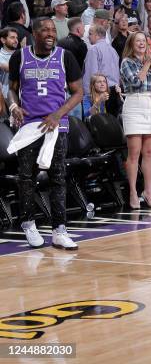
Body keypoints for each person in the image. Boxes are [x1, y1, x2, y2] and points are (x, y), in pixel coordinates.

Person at [6, 17, 83, 250]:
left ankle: (59, 230)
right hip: (29, 126)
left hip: (56, 126)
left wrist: (57, 115)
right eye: (45, 30)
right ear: (34, 33)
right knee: (27, 177)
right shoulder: (19, 57)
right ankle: (29, 224)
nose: (50, 33)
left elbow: (78, 92)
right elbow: (11, 89)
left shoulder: (65, 56)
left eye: (53, 30)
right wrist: (13, 106)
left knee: (58, 176)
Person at [119, 31, 151, 209]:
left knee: (148, 153)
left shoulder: (149, 61)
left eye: (144, 41)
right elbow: (135, 82)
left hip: (150, 103)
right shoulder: (127, 62)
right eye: (138, 41)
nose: (141, 43)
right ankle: (132, 191)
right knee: (134, 153)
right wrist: (146, 63)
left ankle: (148, 190)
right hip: (134, 104)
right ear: (131, 44)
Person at [82, 24, 121, 117]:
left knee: (100, 125)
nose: (88, 36)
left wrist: (88, 95)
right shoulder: (113, 50)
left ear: (97, 35)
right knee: (112, 124)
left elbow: (91, 74)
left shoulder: (94, 50)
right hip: (114, 91)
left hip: (100, 92)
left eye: (90, 34)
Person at [0, 27, 19, 99]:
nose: (16, 40)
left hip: (19, 97)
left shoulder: (20, 54)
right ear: (3, 40)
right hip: (3, 98)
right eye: (12, 38)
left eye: (16, 38)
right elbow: (11, 68)